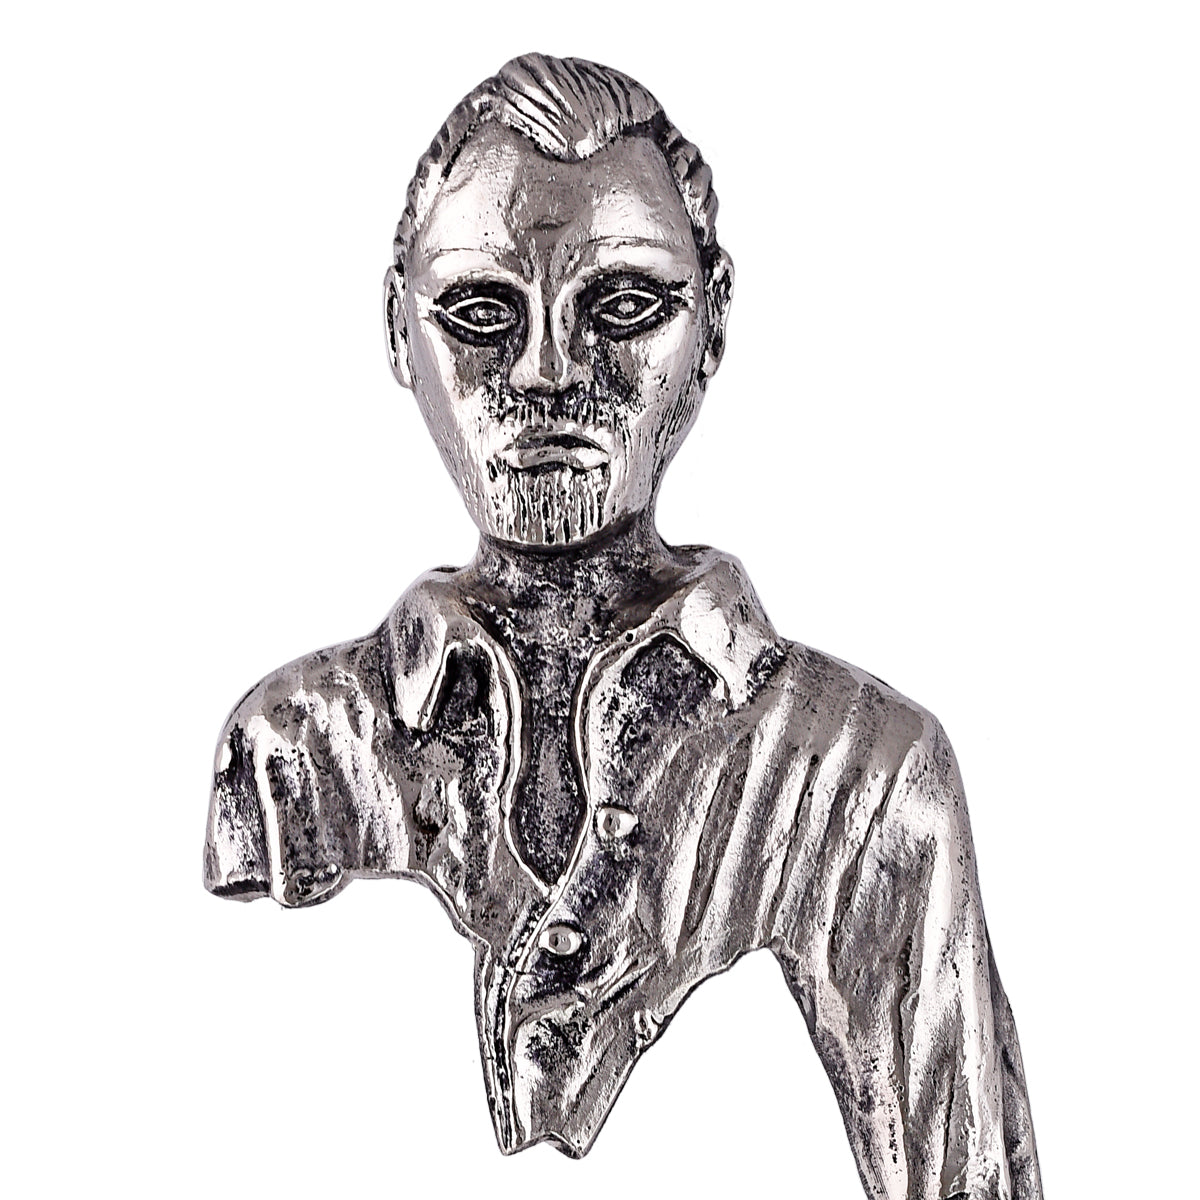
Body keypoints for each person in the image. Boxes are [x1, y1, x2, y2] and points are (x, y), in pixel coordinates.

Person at [204, 53, 1042, 1198]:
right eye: (482, 313)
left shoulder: (863, 772)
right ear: (398, 328)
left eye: (625, 307)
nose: (550, 374)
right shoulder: (295, 750)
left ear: (713, 321)